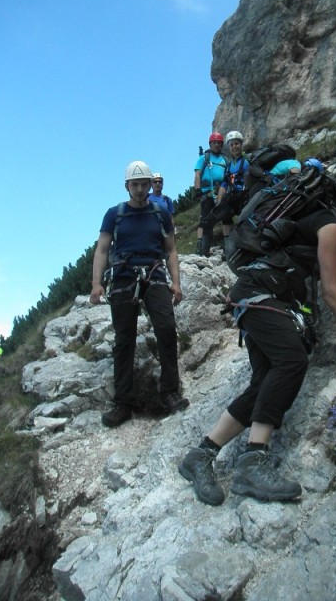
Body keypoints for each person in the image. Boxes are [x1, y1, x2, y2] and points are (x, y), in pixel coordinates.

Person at [179, 170, 336, 506]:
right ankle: (252, 462)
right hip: (259, 295)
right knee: (292, 360)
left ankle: (201, 454)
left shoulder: (321, 218)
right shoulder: (331, 225)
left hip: (255, 295)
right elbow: (331, 291)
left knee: (267, 381)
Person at [90, 160, 189, 428]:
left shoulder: (161, 214)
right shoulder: (114, 214)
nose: (141, 189)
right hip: (123, 276)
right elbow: (101, 249)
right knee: (124, 339)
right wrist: (96, 284)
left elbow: (171, 250)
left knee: (167, 328)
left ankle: (169, 391)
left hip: (154, 274)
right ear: (127, 186)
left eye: (145, 184)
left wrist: (176, 282)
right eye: (136, 184)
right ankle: (123, 401)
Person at [204, 131, 250, 259]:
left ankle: (244, 247)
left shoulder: (247, 161)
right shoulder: (229, 165)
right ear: (229, 147)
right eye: (232, 145)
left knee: (244, 220)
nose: (234, 147)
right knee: (224, 217)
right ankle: (228, 248)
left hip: (244, 196)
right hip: (233, 196)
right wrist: (219, 199)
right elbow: (224, 183)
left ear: (241, 145)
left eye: (237, 144)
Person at [194, 132, 229, 257]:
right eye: (214, 143)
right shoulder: (204, 158)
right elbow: (198, 174)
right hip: (207, 193)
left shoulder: (225, 160)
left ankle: (227, 248)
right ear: (210, 144)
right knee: (205, 220)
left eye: (219, 143)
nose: (217, 145)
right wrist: (197, 189)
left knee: (226, 218)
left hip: (222, 191)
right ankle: (202, 250)